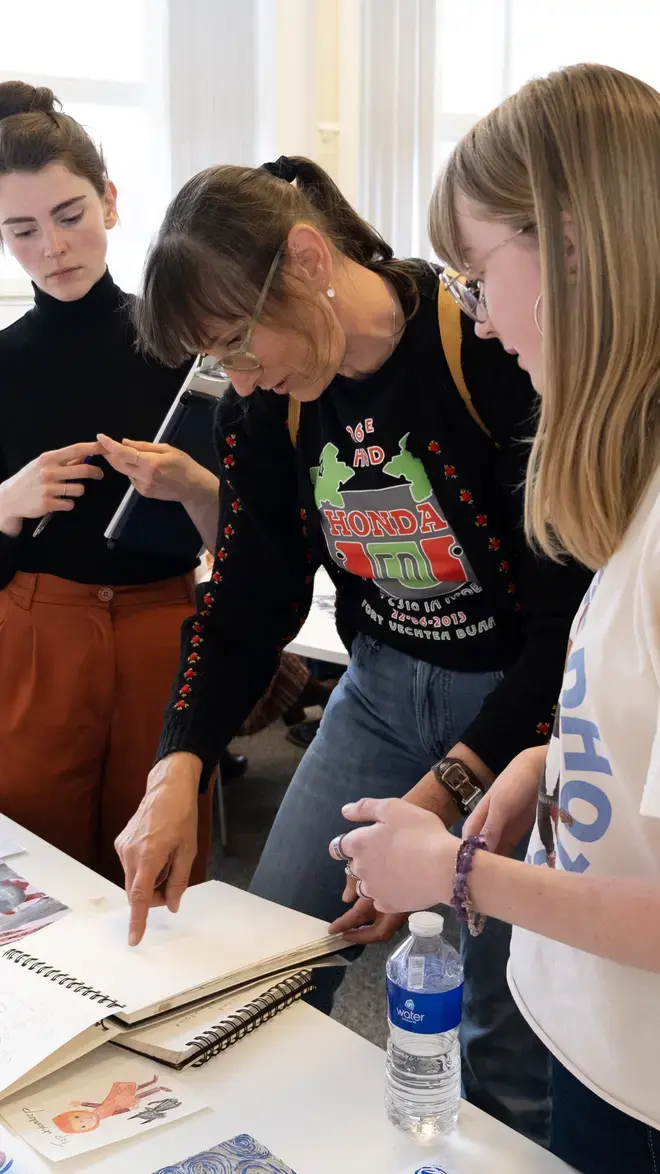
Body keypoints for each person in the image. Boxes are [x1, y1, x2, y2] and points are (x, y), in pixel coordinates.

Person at [115, 154, 589, 1143]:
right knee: (277, 963)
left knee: (502, 1031)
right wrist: (176, 763)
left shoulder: (489, 348)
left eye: (242, 342)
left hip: (519, 713)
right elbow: (247, 599)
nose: (239, 380)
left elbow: (564, 626)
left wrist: (443, 799)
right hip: (376, 696)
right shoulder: (267, 406)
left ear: (305, 258)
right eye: (218, 363)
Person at [330, 62, 660, 1174]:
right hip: (598, 1031)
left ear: (572, 245)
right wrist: (541, 763)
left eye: (477, 276)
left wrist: (459, 877)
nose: (475, 314)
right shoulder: (634, 480)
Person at [0, 82, 220, 884]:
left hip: (164, 622)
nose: (52, 248)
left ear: (111, 203)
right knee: (33, 874)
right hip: (34, 634)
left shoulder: (188, 349)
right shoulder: (4, 364)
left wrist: (196, 484)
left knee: (161, 872)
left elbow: (255, 531)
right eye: (21, 230)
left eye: (69, 215)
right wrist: (4, 506)